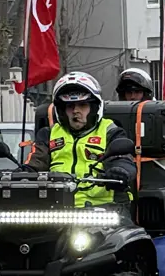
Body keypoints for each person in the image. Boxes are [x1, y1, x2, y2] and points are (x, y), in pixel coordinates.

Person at [27, 72, 138, 210]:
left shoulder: (110, 131)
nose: (76, 111)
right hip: (57, 211)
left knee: (128, 231)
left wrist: (120, 171)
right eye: (70, 106)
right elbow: (35, 163)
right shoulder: (49, 134)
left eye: (82, 105)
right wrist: (20, 174)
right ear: (61, 111)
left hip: (106, 210)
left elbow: (123, 159)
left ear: (94, 108)